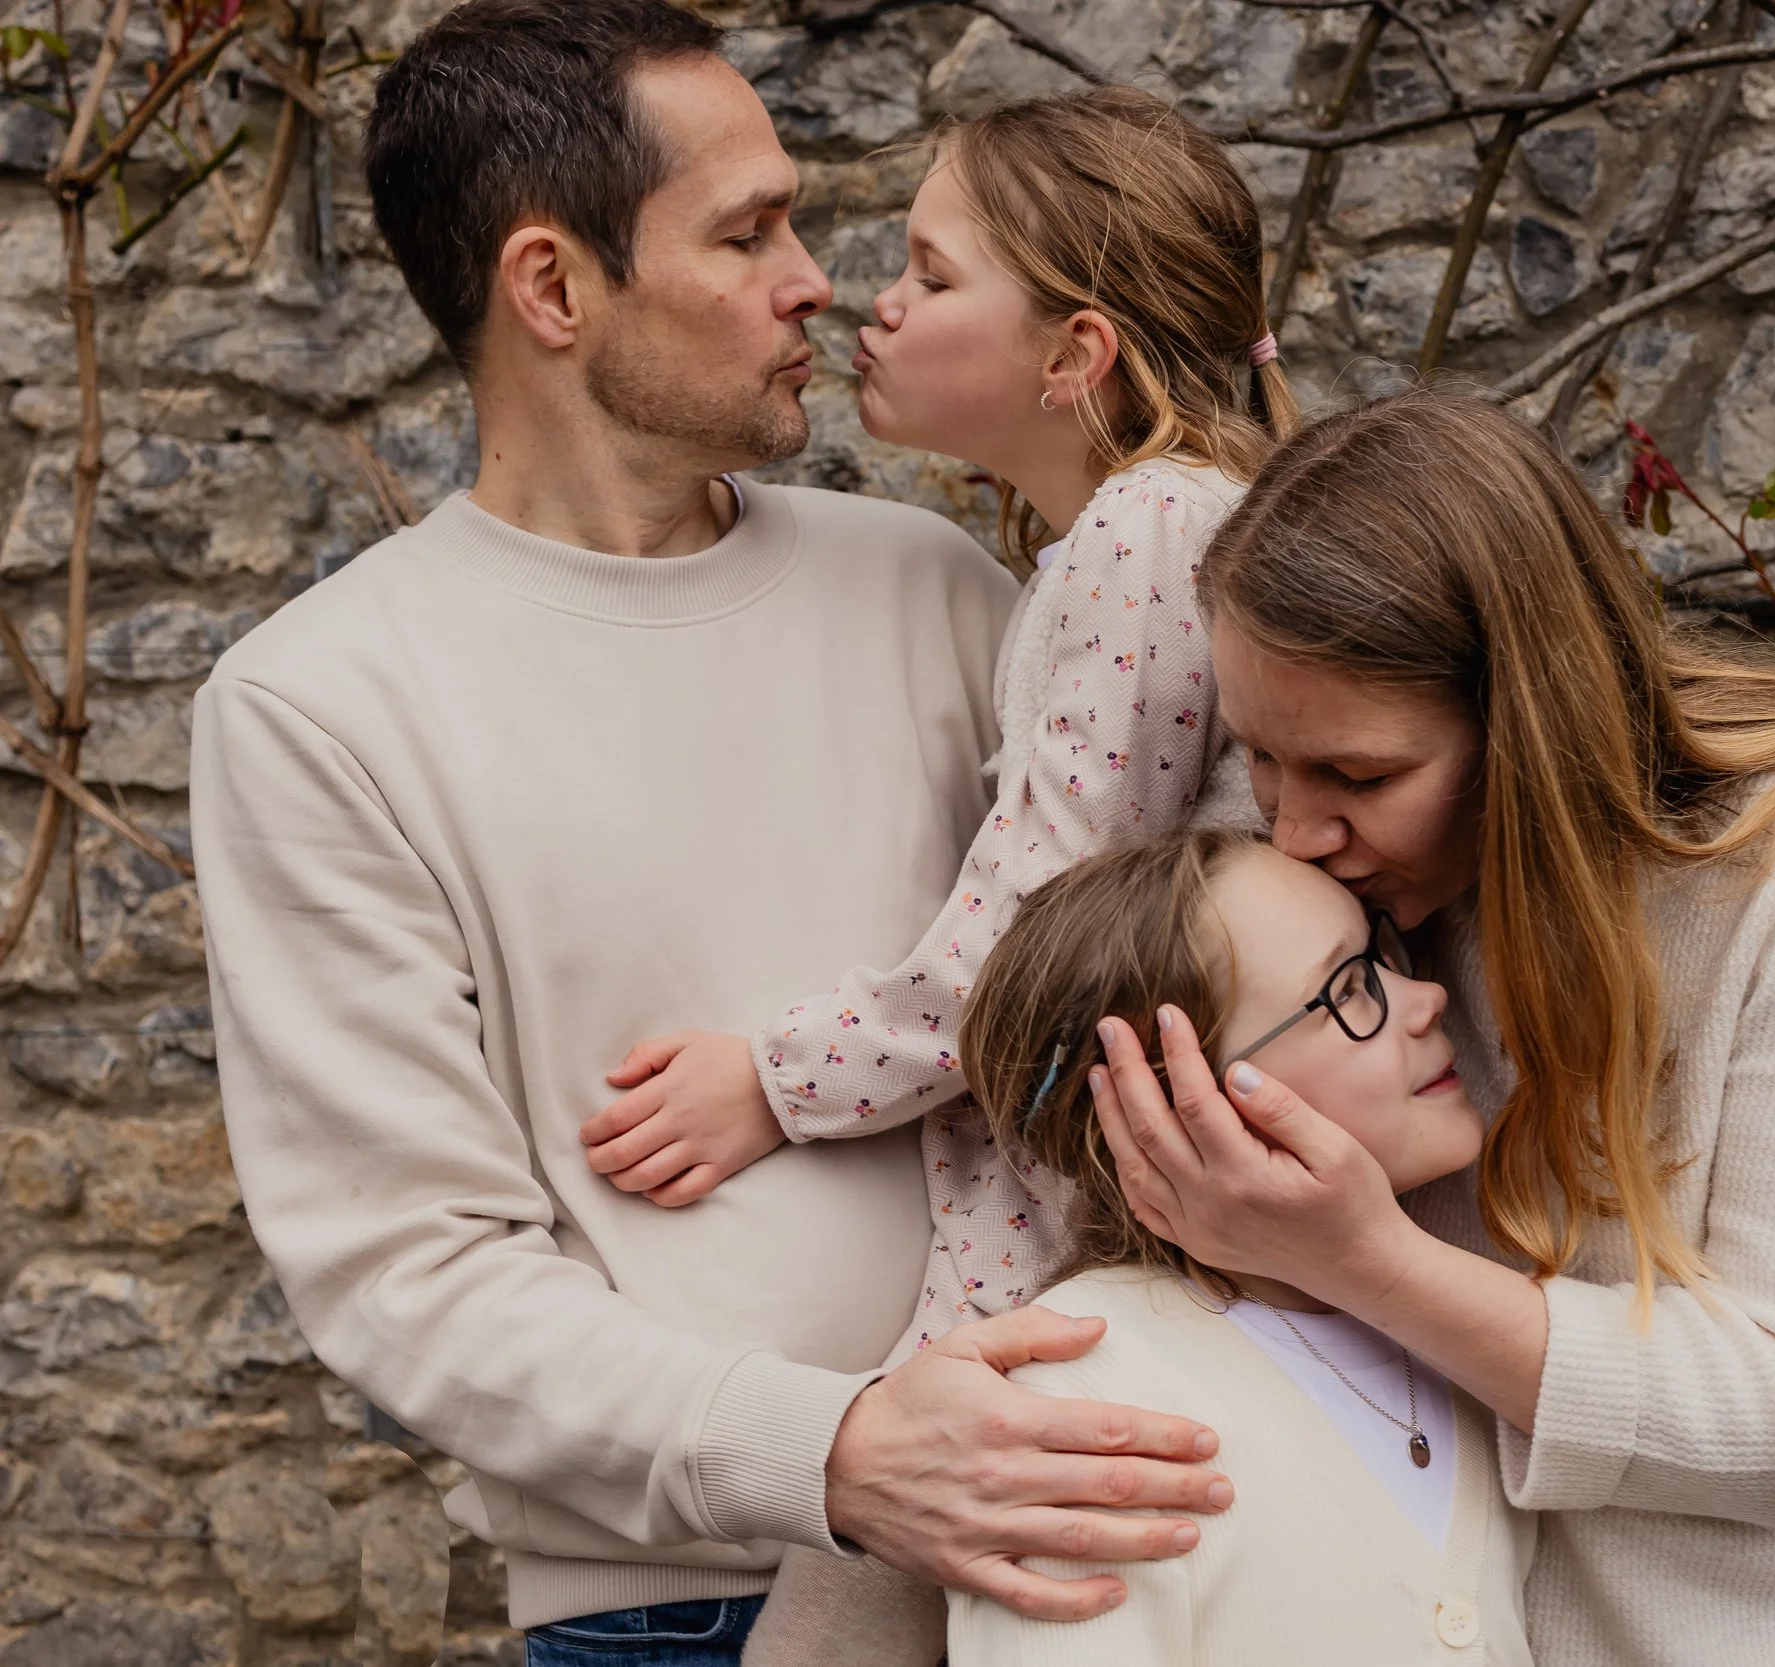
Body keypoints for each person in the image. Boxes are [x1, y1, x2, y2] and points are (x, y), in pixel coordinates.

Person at [190, 7, 1229, 1662]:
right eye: (747, 235)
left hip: (1091, 1538)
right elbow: (414, 1275)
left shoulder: (937, 586)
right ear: (552, 288)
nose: (814, 277)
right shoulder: (319, 705)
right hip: (684, 1608)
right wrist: (838, 1451)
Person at [1087, 390, 1775, 1664]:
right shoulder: (1339, 888)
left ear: (1530, 720)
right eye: (1262, 757)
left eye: (1358, 775)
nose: (1294, 829)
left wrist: (1367, 1259)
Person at [574, 86, 1297, 1346]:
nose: (877, 303)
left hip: (1098, 1218)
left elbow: (1043, 925)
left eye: (932, 275)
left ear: (1074, 355)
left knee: (880, 1515)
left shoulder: (1146, 531)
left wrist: (776, 1078)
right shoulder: (1155, 527)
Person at [944, 828, 1535, 1666]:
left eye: (1385, 952)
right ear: (1168, 1106)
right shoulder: (1085, 1397)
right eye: (1349, 987)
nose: (1425, 996)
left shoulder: (1466, 1333)